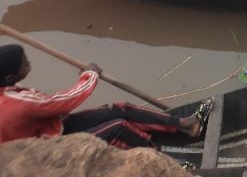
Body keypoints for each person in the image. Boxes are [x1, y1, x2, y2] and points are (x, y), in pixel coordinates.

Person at [0, 44, 210, 148]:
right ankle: (162, 160)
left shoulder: (8, 89)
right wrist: (89, 76)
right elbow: (62, 103)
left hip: (53, 127)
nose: (29, 64)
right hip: (49, 147)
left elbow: (46, 105)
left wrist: (84, 77)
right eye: (25, 62)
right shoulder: (16, 103)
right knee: (118, 127)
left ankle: (186, 124)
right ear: (11, 76)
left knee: (120, 109)